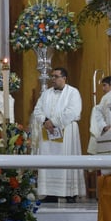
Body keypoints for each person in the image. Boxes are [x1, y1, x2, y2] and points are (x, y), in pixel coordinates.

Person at [32, 67, 85, 202]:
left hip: (66, 130)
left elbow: (73, 111)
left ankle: (70, 192)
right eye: (52, 76)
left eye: (56, 76)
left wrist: (54, 122)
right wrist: (45, 121)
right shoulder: (46, 94)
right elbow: (37, 110)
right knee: (48, 161)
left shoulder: (73, 92)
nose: (53, 79)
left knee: (67, 160)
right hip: (48, 132)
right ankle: (50, 192)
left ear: (64, 78)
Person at [87, 74, 111, 153]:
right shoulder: (106, 97)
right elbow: (98, 112)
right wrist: (104, 126)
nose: (103, 89)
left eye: (104, 85)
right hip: (109, 132)